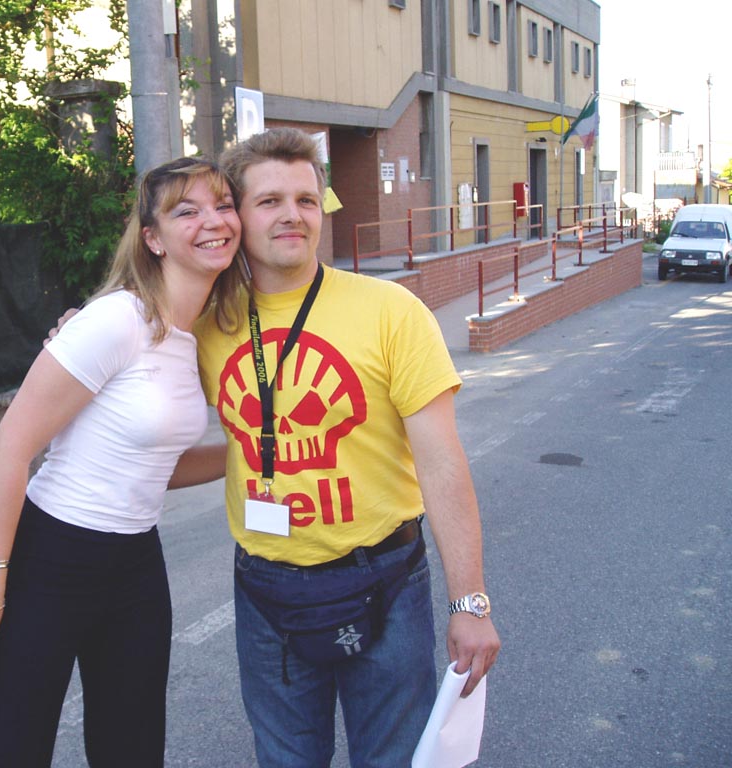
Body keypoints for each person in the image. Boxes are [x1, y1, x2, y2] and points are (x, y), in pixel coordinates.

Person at [191, 127, 502, 767]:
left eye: (306, 200)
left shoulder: (390, 310)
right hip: (265, 587)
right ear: (237, 216)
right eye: (270, 201)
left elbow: (442, 462)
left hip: (385, 579)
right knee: (286, 760)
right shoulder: (206, 323)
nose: (292, 214)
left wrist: (469, 602)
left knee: (394, 759)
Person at [0, 156, 244, 767]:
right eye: (187, 211)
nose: (213, 221)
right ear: (153, 239)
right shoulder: (116, 320)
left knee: (131, 749)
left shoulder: (196, 336)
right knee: (9, 749)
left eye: (222, 205)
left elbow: (156, 465)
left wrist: (246, 456)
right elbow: (10, 449)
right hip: (51, 557)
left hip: (136, 565)